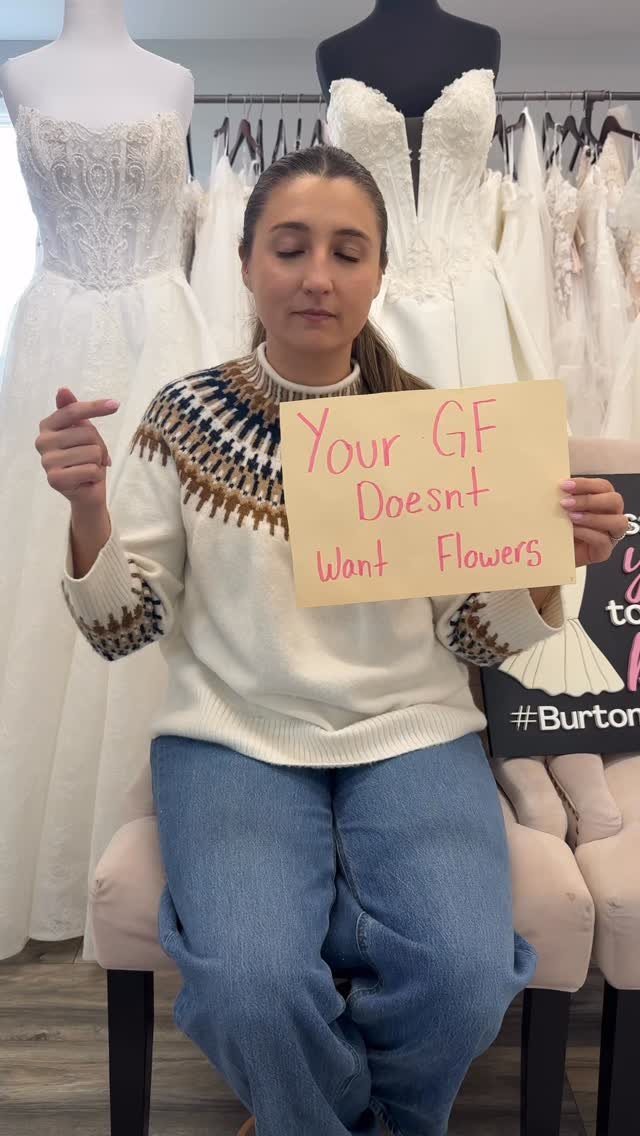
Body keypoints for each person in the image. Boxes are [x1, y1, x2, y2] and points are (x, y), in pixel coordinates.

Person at [36, 146, 628, 1136]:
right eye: (290, 247)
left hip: (414, 732)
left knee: (466, 971)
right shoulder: (184, 418)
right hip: (232, 736)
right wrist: (89, 507)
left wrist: (549, 563)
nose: (318, 275)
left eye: (348, 252)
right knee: (252, 986)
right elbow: (122, 626)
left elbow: (473, 634)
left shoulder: (435, 431)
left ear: (379, 273)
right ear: (244, 262)